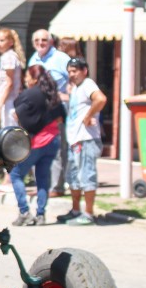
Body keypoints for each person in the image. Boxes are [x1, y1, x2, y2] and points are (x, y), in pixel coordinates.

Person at [10, 65, 66, 226]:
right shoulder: (52, 94)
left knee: (15, 174)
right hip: (53, 140)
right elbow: (61, 118)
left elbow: (16, 113)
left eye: (27, 76)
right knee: (42, 178)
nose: (25, 79)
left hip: (36, 142)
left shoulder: (28, 95)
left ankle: (24, 212)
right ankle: (41, 214)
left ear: (34, 78)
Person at [57, 57, 107, 225]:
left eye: (75, 71)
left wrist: (89, 116)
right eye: (69, 71)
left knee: (87, 176)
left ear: (84, 70)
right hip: (74, 139)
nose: (72, 74)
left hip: (86, 139)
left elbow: (100, 99)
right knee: (73, 177)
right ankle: (76, 210)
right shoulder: (76, 88)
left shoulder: (88, 84)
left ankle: (89, 213)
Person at [28, 29, 71, 197]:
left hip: (57, 111)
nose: (40, 43)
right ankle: (42, 186)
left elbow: (74, 79)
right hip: (38, 112)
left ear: (51, 41)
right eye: (37, 40)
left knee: (58, 149)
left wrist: (67, 96)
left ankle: (56, 187)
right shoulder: (34, 59)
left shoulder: (61, 58)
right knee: (38, 147)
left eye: (44, 40)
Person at [0, 28, 25, 128]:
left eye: (2, 40)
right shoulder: (10, 56)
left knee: (9, 134)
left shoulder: (8, 57)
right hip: (9, 101)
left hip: (8, 103)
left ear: (10, 42)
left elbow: (9, 84)